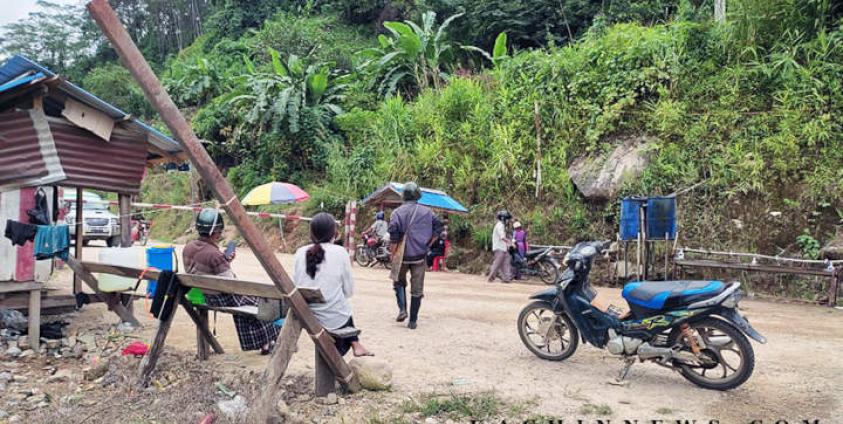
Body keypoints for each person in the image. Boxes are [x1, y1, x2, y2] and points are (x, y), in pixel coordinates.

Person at [183, 208, 279, 355]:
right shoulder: (214, 255)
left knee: (251, 302)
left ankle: (264, 342)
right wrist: (224, 261)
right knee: (262, 302)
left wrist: (225, 260)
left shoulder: (188, 248)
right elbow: (230, 284)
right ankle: (267, 342)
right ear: (214, 232)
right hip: (219, 298)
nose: (220, 233)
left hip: (201, 295)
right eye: (219, 231)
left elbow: (207, 271)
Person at [293, 213, 372, 356]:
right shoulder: (340, 252)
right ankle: (355, 344)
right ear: (333, 233)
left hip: (306, 314)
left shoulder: (300, 252)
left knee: (338, 305)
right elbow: (349, 291)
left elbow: (296, 282)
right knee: (341, 306)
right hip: (333, 319)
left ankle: (356, 345)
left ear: (311, 233)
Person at [389, 182, 443, 329]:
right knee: (417, 289)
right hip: (420, 254)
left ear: (403, 196)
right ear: (418, 195)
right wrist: (429, 243)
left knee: (398, 281)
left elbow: (394, 236)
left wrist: (393, 254)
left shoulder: (396, 213)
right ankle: (413, 321)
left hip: (402, 255)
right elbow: (438, 227)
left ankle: (402, 309)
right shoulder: (428, 212)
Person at [488, 210, 513, 283]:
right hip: (499, 247)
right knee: (497, 263)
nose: (508, 221)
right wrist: (510, 242)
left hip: (503, 248)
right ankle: (491, 277)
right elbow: (502, 237)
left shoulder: (503, 226)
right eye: (507, 219)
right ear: (503, 218)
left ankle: (506, 278)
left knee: (506, 262)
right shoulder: (500, 226)